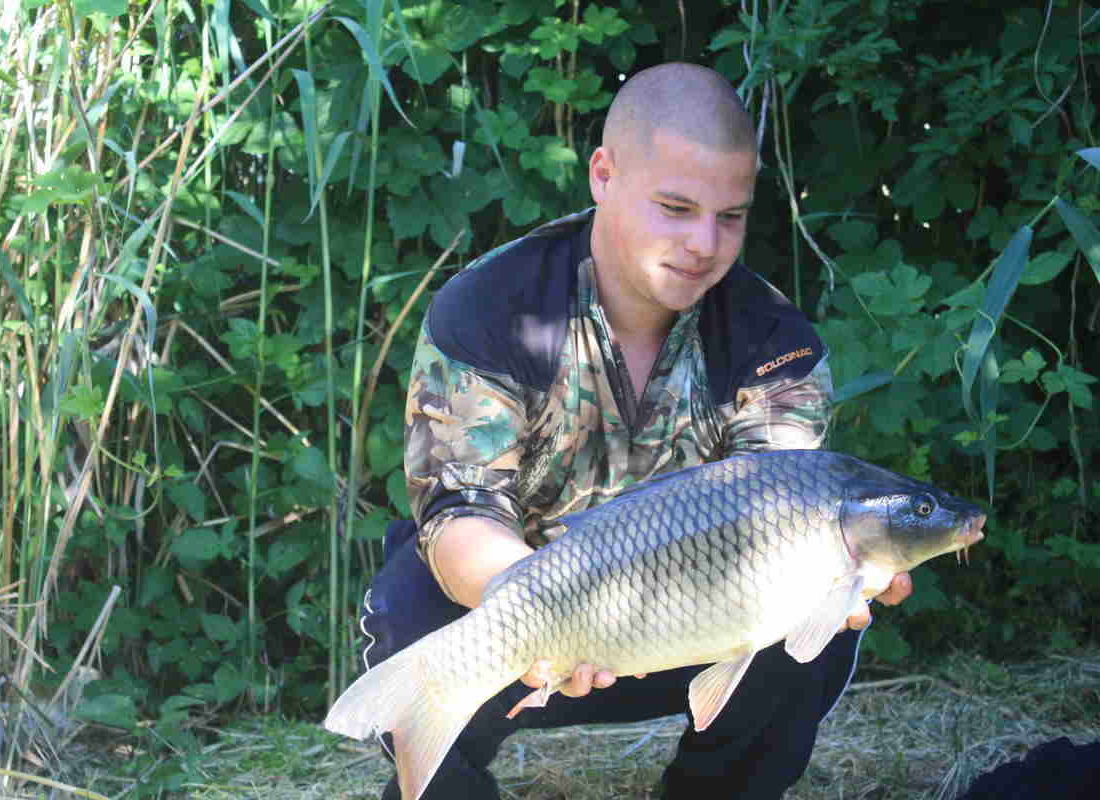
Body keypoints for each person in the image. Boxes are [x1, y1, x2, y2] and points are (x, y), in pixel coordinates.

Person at [358, 62, 914, 800]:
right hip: (515, 598)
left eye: (730, 217)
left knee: (819, 632)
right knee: (407, 619)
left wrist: (834, 578)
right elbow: (461, 506)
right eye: (675, 208)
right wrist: (543, 617)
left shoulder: (774, 342)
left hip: (692, 619)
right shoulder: (490, 307)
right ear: (603, 174)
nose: (704, 244)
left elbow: (783, 512)